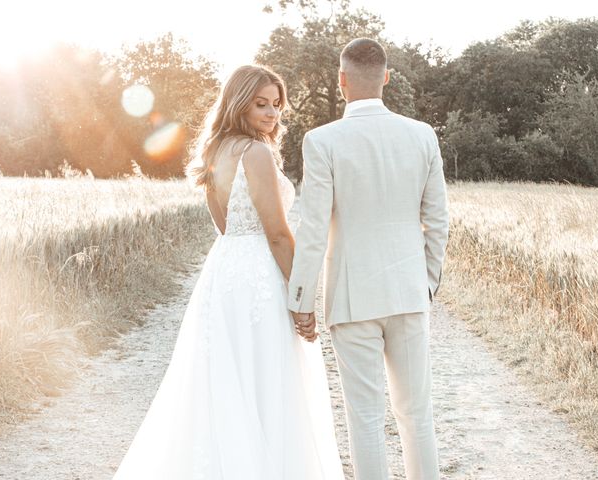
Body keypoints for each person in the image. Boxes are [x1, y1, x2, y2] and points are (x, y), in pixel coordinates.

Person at [113, 65, 344, 480]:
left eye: (276, 105)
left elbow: (224, 226)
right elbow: (276, 233)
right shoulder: (255, 153)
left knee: (226, 378)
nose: (272, 113)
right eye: (261, 104)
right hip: (259, 276)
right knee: (268, 380)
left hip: (225, 270)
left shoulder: (215, 150)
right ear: (239, 103)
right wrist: (301, 298)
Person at [288, 38, 449, 480]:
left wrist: (301, 298)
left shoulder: (321, 141)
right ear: (387, 77)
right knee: (417, 412)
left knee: (364, 417)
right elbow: (438, 221)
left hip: (352, 297)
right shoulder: (422, 135)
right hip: (409, 291)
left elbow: (314, 228)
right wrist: (427, 282)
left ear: (341, 81)